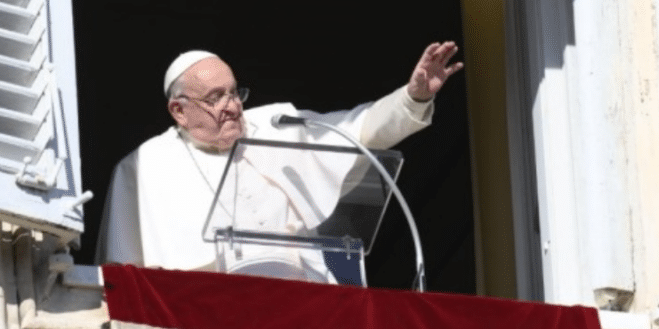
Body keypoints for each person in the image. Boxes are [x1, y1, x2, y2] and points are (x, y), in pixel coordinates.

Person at [95, 44, 463, 282]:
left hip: (303, 309)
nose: (233, 106)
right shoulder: (144, 168)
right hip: (211, 322)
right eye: (215, 97)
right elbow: (121, 278)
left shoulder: (275, 124)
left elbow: (360, 130)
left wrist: (412, 98)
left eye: (234, 92)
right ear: (179, 110)